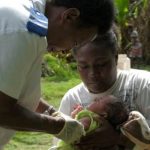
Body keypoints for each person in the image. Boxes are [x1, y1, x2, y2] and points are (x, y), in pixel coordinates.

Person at [0, 0, 115, 149]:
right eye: (75, 42)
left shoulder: (26, 20)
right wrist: (57, 126)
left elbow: (11, 90)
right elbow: (2, 110)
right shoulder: (23, 31)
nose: (66, 51)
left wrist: (52, 113)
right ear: (69, 16)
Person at [59, 31, 150, 150]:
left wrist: (118, 138)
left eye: (101, 64)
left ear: (116, 58)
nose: (92, 74)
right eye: (84, 66)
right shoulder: (72, 99)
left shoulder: (143, 85)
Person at [50, 95, 129, 150]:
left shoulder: (89, 119)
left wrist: (57, 116)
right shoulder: (98, 124)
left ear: (104, 114)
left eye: (99, 100)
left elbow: (74, 128)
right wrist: (75, 116)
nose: (95, 99)